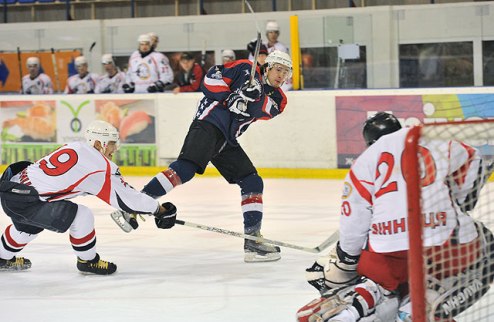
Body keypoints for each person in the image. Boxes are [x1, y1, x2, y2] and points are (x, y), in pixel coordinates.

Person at [297, 112, 494, 321]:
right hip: (444, 242)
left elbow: (354, 220)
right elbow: (474, 158)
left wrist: (347, 260)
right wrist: (462, 200)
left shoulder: (364, 161)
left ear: (370, 142)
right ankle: (422, 305)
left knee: (381, 277)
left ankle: (362, 300)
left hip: (387, 247)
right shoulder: (433, 141)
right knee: (480, 244)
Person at [119, 50, 292, 263]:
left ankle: (252, 240)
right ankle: (135, 205)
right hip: (208, 123)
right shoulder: (245, 68)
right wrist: (231, 96)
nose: (281, 76)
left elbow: (263, 110)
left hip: (227, 139)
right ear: (268, 66)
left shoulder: (278, 98)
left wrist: (251, 95)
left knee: (251, 180)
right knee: (184, 169)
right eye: (278, 69)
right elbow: (210, 80)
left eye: (286, 73)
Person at [0, 120, 177, 274]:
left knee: (28, 227)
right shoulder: (99, 165)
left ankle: (2, 257)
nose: (115, 149)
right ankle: (88, 261)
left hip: (13, 189)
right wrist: (159, 210)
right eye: (112, 143)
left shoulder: (76, 146)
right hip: (29, 199)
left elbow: (76, 182)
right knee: (81, 215)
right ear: (99, 143)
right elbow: (128, 199)